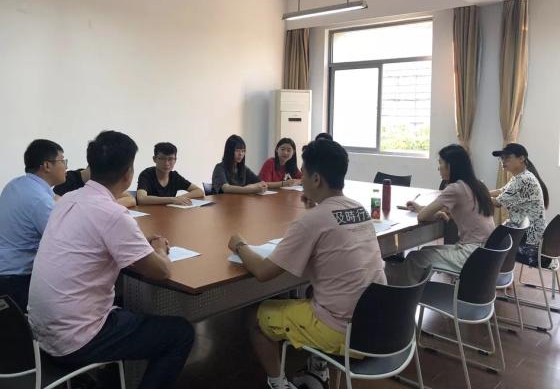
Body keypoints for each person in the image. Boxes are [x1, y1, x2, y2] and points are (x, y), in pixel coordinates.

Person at [28, 131, 194, 388]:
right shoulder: (113, 214)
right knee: (180, 333)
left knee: (125, 305)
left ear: (91, 167)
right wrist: (160, 249)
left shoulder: (68, 199)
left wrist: (138, 241)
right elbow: (162, 271)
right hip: (75, 340)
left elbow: (93, 238)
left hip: (40, 332)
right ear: (128, 174)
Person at [227, 140, 386, 389]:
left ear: (316, 179)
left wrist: (239, 245)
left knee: (255, 319)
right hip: (380, 322)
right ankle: (318, 371)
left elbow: (263, 272)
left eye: (304, 173)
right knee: (312, 293)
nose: (301, 179)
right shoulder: (359, 209)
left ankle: (278, 383)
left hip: (344, 331)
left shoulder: (312, 221)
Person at [0, 139, 67, 312]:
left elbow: (56, 201)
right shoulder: (39, 199)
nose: (66, 167)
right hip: (7, 288)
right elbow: (63, 242)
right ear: (47, 165)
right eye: (63, 161)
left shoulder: (17, 185)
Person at [385, 144, 495, 286]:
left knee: (416, 258)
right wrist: (420, 208)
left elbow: (422, 217)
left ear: (450, 166)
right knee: (424, 252)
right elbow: (453, 211)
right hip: (487, 252)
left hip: (471, 254)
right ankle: (416, 289)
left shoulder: (455, 188)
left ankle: (404, 293)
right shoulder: (478, 185)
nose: (438, 168)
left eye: (440, 163)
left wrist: (424, 212)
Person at [490, 143, 550, 267]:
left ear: (521, 158)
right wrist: (478, 191)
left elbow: (497, 202)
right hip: (530, 237)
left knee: (490, 246)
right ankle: (501, 276)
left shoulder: (524, 179)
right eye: (502, 158)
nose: (503, 161)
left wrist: (474, 194)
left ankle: (499, 276)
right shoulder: (521, 177)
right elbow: (501, 191)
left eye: (507, 157)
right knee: (492, 240)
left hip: (531, 246)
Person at [136, 142, 204, 205]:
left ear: (175, 160)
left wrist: (180, 198)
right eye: (162, 158)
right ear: (154, 159)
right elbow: (141, 199)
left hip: (170, 212)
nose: (166, 163)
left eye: (170, 159)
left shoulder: (174, 176)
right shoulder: (146, 175)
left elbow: (199, 191)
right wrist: (172, 199)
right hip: (149, 212)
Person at [54, 166, 137, 207]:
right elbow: (57, 204)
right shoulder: (67, 179)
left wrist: (105, 205)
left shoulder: (103, 181)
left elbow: (131, 200)